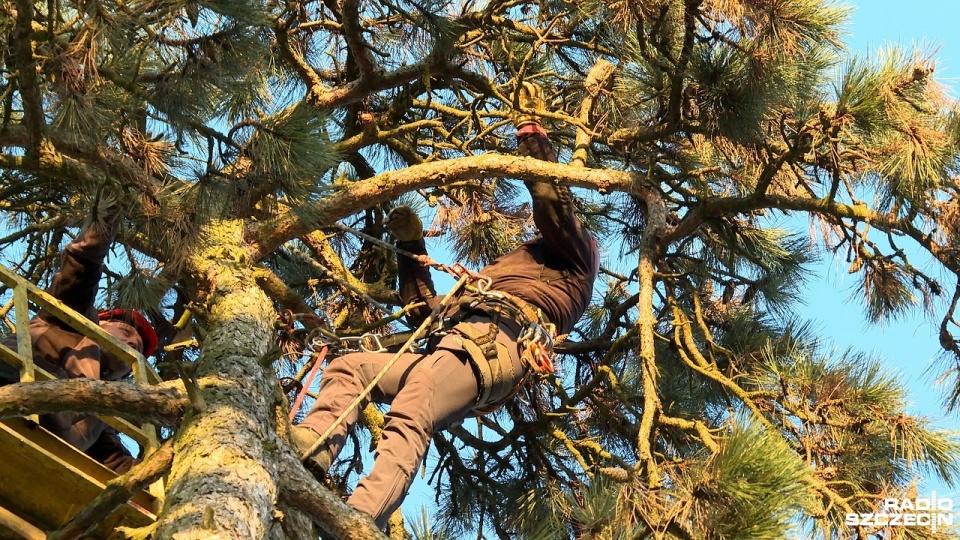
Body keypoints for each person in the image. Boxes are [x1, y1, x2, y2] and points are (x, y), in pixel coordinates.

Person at [291, 82, 600, 528]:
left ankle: (358, 518)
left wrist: (533, 137)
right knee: (352, 367)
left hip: (496, 345)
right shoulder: (504, 274)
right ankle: (310, 447)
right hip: (456, 341)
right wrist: (410, 243)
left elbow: (553, 206)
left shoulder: (578, 258)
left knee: (414, 403)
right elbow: (425, 313)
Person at [0, 215, 159, 474]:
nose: (132, 342)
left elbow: (117, 464)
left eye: (138, 347)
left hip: (42, 454)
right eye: (127, 330)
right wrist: (108, 214)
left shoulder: (107, 409)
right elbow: (81, 267)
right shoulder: (72, 320)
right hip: (8, 388)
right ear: (101, 323)